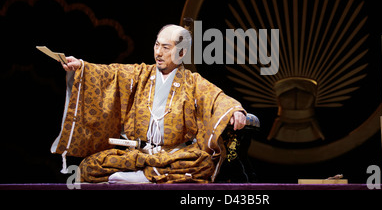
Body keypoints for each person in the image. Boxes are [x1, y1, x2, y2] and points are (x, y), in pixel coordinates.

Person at [50, 24, 247, 183]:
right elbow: (111, 74)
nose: (159, 52)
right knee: (89, 166)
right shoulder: (140, 74)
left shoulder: (192, 82)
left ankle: (140, 176)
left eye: (166, 47)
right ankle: (145, 175)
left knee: (201, 165)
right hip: (138, 153)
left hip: (175, 155)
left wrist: (235, 110)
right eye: (156, 45)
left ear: (181, 52)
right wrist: (82, 67)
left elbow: (216, 97)